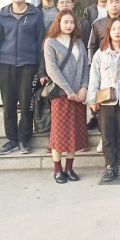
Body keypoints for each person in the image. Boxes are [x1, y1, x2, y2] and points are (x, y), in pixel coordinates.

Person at [87, 18, 120, 182]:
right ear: (108, 32)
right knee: (107, 135)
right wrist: (92, 99)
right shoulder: (100, 53)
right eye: (113, 29)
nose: (117, 32)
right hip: (106, 102)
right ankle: (110, 166)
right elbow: (94, 78)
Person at [0, 0, 45, 156]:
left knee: (26, 104)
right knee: (8, 104)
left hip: (29, 65)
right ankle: (11, 139)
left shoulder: (35, 14)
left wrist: (39, 66)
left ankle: (24, 139)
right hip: (6, 64)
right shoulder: (2, 14)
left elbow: (41, 40)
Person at [43, 10, 89, 183]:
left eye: (71, 22)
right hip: (61, 95)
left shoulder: (78, 42)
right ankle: (57, 169)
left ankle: (69, 168)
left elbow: (85, 66)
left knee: (74, 132)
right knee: (59, 132)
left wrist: (84, 87)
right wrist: (68, 90)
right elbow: (52, 70)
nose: (69, 25)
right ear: (58, 23)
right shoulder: (50, 42)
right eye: (65, 22)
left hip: (78, 95)